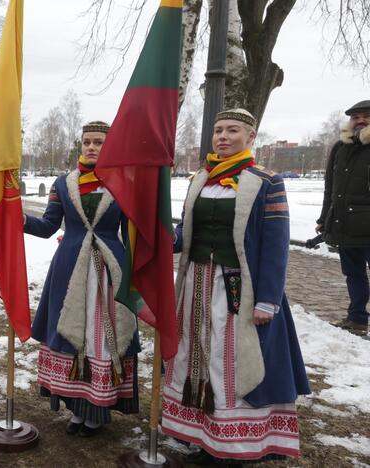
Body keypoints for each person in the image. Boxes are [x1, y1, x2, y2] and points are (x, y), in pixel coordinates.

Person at [161, 109, 310, 464]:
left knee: (229, 360)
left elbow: (276, 245)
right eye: (218, 131)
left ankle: (234, 444)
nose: (223, 137)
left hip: (239, 287)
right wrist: (164, 240)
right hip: (196, 281)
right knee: (195, 355)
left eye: (232, 130)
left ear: (251, 137)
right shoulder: (201, 178)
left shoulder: (266, 181)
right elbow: (187, 230)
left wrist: (269, 300)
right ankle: (200, 433)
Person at [24, 121, 140, 437]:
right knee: (72, 334)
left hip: (108, 271)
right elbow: (49, 226)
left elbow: (133, 235)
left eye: (99, 142)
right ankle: (76, 408)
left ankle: (96, 412)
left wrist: (137, 274)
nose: (91, 147)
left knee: (101, 338)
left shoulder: (124, 184)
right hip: (69, 269)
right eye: (87, 142)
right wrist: (16, 219)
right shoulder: (63, 184)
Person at [316, 100, 370, 335]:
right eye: (355, 117)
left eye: (366, 116)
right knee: (353, 275)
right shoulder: (340, 147)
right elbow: (331, 187)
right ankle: (356, 319)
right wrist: (323, 218)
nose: (360, 120)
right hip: (345, 225)